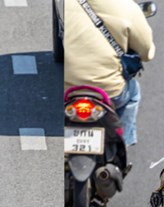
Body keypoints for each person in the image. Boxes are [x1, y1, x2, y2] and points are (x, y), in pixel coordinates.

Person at [63, 0, 154, 146]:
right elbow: (146, 53)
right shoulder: (128, 7)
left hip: (66, 89)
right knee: (133, 93)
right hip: (110, 91)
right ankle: (124, 142)